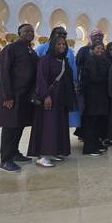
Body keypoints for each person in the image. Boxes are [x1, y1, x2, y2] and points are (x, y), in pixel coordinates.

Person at [0, 24, 39, 173]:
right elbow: (3, 72)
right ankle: (5, 160)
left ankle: (14, 153)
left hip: (25, 97)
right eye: (26, 31)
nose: (30, 33)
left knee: (19, 125)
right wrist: (7, 96)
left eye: (32, 31)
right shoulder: (11, 49)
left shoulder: (31, 51)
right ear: (19, 33)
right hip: (12, 96)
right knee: (10, 127)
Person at [27, 36, 74, 167]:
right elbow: (41, 79)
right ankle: (44, 156)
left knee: (58, 124)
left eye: (64, 44)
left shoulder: (63, 60)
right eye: (59, 44)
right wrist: (46, 96)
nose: (62, 46)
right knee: (49, 125)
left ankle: (54, 151)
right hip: (49, 98)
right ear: (53, 45)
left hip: (61, 99)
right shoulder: (45, 60)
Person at [35, 26, 80, 128]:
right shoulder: (42, 49)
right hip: (50, 92)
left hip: (63, 92)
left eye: (64, 34)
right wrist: (45, 94)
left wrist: (75, 84)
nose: (62, 36)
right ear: (52, 35)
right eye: (59, 33)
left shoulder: (68, 51)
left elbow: (72, 69)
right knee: (49, 121)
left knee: (62, 120)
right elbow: (40, 74)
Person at [75, 29, 104, 139]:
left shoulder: (102, 50)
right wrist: (77, 83)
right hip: (86, 85)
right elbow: (77, 67)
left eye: (100, 36)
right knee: (85, 110)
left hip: (99, 89)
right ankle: (83, 134)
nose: (98, 38)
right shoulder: (83, 50)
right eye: (95, 36)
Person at [82, 41, 110, 156]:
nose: (100, 51)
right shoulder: (91, 61)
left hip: (100, 96)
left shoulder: (102, 60)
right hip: (93, 96)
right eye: (98, 48)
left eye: (102, 49)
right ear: (92, 49)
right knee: (91, 122)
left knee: (97, 122)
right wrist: (108, 78)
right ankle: (89, 148)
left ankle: (96, 143)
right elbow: (94, 78)